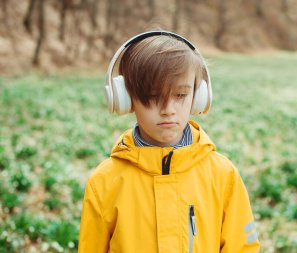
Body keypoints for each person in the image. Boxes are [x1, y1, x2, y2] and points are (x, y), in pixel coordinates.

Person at [78, 31, 260, 253]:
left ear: (199, 97)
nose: (168, 110)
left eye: (180, 95)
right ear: (125, 99)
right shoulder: (105, 182)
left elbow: (242, 247)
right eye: (153, 97)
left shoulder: (223, 176)